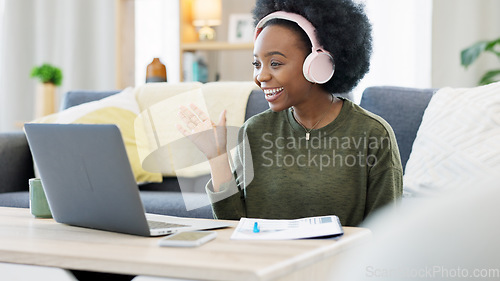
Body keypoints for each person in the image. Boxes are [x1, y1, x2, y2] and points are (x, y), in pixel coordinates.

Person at [178, 0, 403, 226]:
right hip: (268, 259)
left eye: (275, 63)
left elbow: (385, 235)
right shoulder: (254, 131)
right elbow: (234, 225)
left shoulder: (373, 135)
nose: (261, 76)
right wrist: (217, 159)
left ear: (318, 64)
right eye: (257, 64)